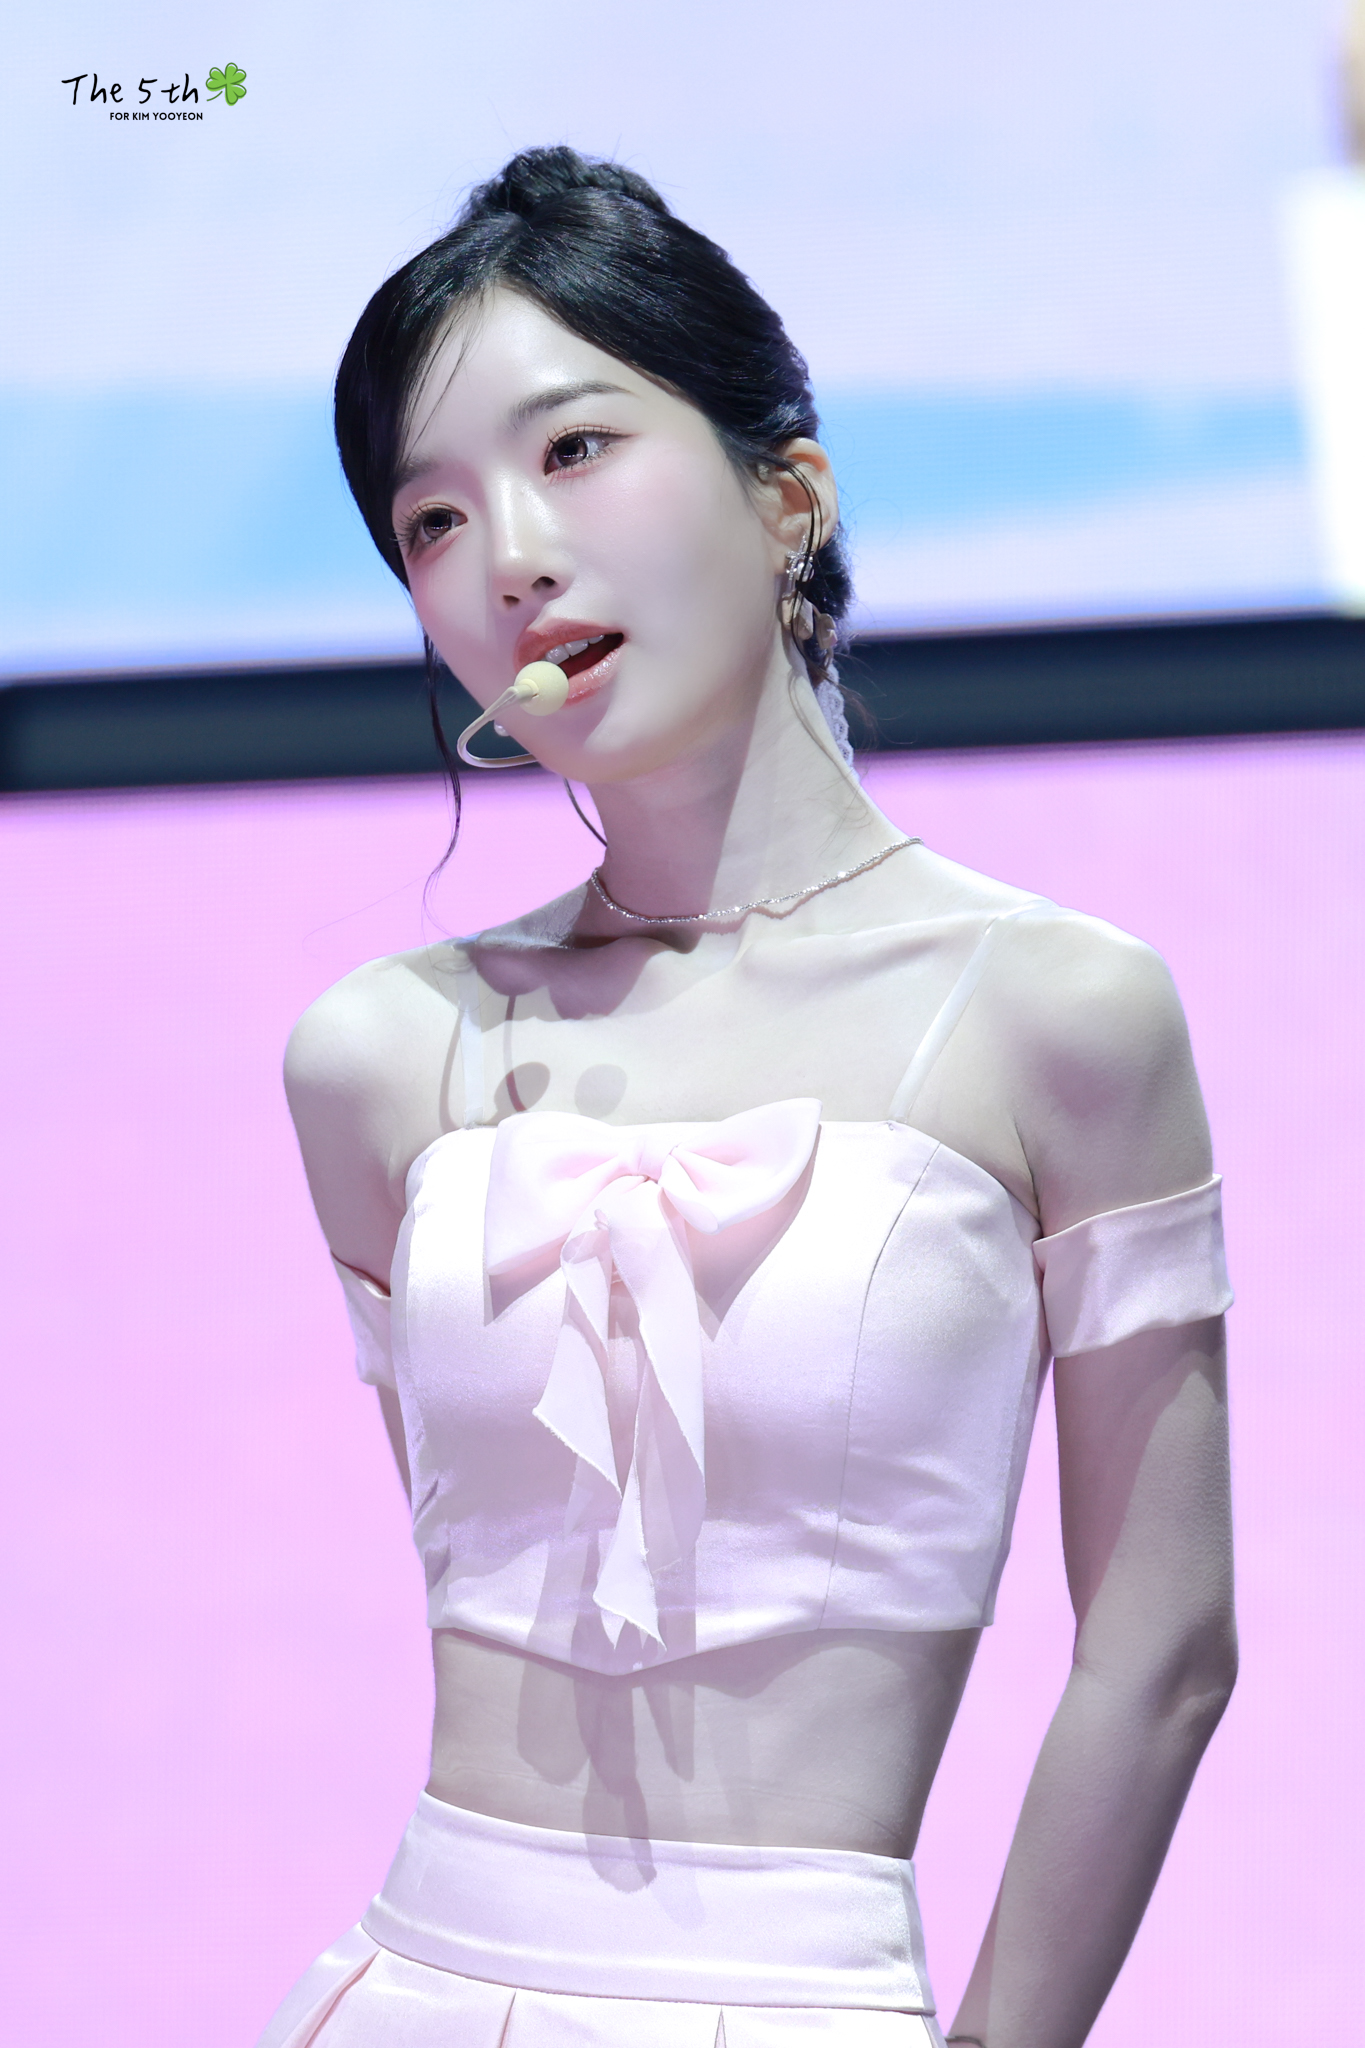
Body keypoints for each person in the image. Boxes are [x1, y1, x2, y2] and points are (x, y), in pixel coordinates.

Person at [260, 147, 1236, 2048]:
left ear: (787, 493)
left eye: (573, 450)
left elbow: (1164, 1647)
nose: (509, 554)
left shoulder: (1055, 1014)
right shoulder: (380, 1056)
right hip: (407, 1986)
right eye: (431, 518)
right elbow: (491, 1546)